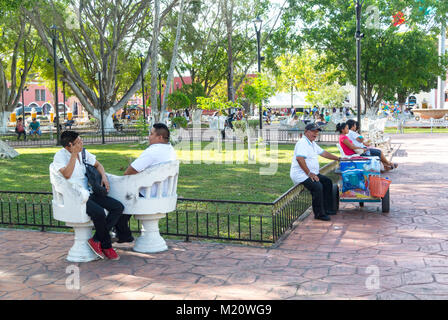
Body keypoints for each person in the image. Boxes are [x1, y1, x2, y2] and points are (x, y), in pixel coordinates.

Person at [53, 131, 133, 260]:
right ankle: (106, 246)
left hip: (89, 192)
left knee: (117, 207)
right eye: (78, 142)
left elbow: (98, 165)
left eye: (81, 140)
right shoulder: (60, 156)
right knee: (99, 212)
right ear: (69, 146)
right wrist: (74, 154)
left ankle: (96, 239)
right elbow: (67, 174)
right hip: (75, 196)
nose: (82, 143)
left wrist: (104, 177)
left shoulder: (84, 152)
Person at [121, 123, 177, 235]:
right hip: (165, 194)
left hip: (148, 194)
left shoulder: (153, 151)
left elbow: (129, 171)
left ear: (160, 137)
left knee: (119, 195)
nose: (149, 137)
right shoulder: (170, 149)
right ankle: (122, 233)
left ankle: (120, 232)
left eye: (151, 134)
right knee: (126, 195)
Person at [290, 123, 341, 221]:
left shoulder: (312, 143)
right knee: (317, 186)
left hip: (311, 173)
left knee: (327, 182)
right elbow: (300, 159)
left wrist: (338, 158)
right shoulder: (302, 142)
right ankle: (319, 214)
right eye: (313, 131)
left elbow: (324, 153)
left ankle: (327, 209)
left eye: (317, 132)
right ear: (306, 132)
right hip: (301, 175)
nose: (315, 133)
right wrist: (309, 174)